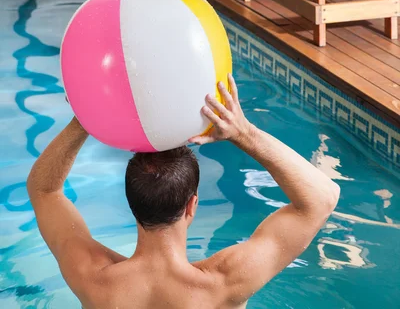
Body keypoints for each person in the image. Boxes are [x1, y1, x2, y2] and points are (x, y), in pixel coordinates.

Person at [27, 74, 340, 308]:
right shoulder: (224, 285)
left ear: (132, 203)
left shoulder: (94, 281)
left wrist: (82, 121)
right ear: (192, 206)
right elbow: (321, 199)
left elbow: (44, 190)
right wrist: (244, 133)